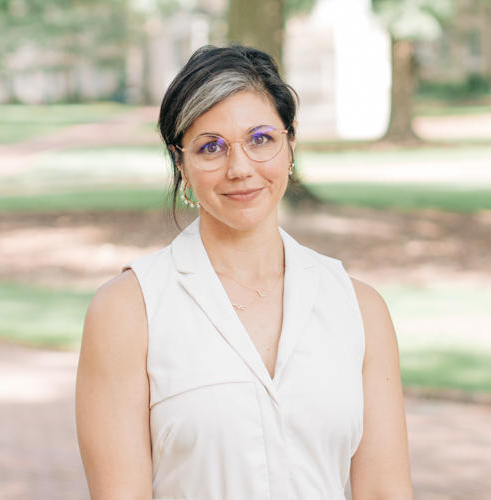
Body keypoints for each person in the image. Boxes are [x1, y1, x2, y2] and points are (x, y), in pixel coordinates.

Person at [75, 44, 413, 500]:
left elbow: (385, 491)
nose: (239, 168)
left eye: (260, 139)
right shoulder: (127, 311)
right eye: (210, 147)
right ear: (182, 166)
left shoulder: (359, 308)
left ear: (290, 146)